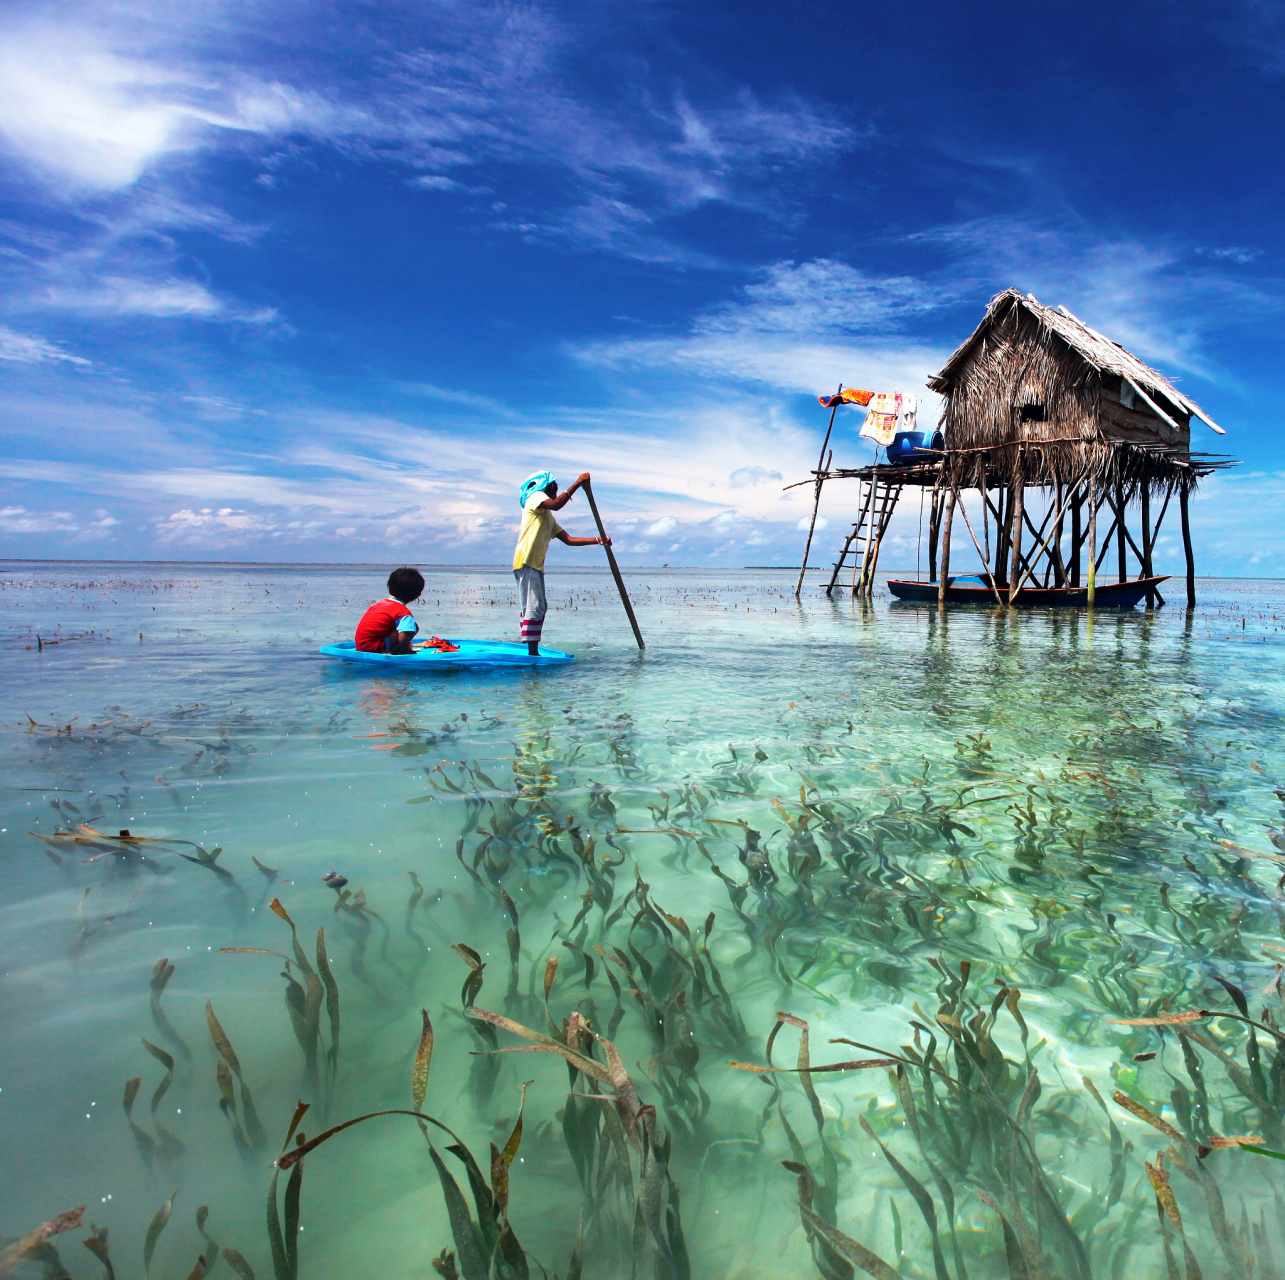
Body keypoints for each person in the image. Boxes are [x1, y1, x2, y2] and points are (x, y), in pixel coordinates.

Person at [513, 471, 609, 655]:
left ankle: (532, 649)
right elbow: (557, 505)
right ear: (550, 488)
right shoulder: (535, 498)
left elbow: (569, 540)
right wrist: (578, 484)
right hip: (526, 561)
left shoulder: (548, 518)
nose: (556, 493)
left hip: (535, 564)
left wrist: (599, 540)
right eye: (555, 489)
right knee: (533, 605)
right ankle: (532, 653)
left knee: (540, 606)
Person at [355, 566, 425, 654]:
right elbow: (403, 639)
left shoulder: (381, 604)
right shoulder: (403, 613)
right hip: (375, 649)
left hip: (361, 647)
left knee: (402, 626)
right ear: (417, 594)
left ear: (389, 588)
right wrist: (407, 652)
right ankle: (391, 652)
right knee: (413, 626)